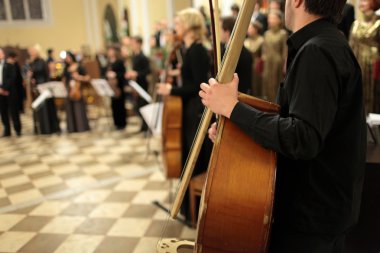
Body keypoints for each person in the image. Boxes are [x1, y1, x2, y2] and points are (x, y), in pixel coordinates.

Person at [200, 0, 366, 252]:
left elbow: (302, 138)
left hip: (311, 218)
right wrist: (236, 124)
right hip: (319, 212)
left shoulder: (317, 51)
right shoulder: (328, 43)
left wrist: (233, 108)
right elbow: (295, 119)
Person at [157, 8, 211, 222]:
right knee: (188, 156)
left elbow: (197, 85)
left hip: (195, 110)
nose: (175, 26)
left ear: (189, 25)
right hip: (188, 109)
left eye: (179, 22)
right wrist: (179, 72)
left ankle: (196, 210)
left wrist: (171, 90)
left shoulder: (197, 50)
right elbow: (190, 75)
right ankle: (188, 207)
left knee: (194, 157)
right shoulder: (189, 50)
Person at [350, 0, 380, 113]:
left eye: (365, 0)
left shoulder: (378, 23)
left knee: (372, 91)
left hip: (372, 63)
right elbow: (351, 43)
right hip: (357, 60)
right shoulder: (356, 23)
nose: (361, 3)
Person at [28, 44, 61, 135]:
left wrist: (45, 87)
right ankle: (42, 128)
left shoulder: (42, 61)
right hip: (36, 88)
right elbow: (33, 75)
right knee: (40, 109)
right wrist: (32, 78)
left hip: (44, 87)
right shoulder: (32, 62)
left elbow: (47, 75)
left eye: (33, 52)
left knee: (47, 108)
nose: (31, 53)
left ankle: (50, 128)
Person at [220, 16, 253, 94]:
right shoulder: (223, 48)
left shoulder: (242, 54)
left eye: (220, 29)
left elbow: (243, 84)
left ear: (227, 32)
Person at [125, 36, 151, 133]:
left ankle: (147, 126)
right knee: (137, 106)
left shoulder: (143, 57)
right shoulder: (134, 56)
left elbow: (147, 71)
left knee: (143, 105)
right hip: (135, 84)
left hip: (142, 83)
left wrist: (136, 73)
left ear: (139, 44)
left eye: (134, 43)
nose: (132, 45)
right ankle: (143, 125)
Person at [262, 10, 287, 102]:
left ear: (279, 20)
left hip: (278, 63)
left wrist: (285, 63)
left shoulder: (283, 33)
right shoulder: (266, 33)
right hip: (267, 63)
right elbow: (264, 49)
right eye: (269, 18)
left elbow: (285, 50)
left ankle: (276, 105)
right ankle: (267, 103)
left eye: (273, 18)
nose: (270, 20)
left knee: (276, 84)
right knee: (267, 83)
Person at [62, 51, 90, 133]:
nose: (68, 59)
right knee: (69, 109)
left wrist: (78, 77)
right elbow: (64, 79)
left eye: (69, 57)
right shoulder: (66, 68)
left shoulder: (79, 66)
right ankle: (72, 128)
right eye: (66, 58)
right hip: (69, 89)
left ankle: (81, 127)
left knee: (78, 108)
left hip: (78, 89)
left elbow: (87, 77)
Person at [106, 46, 127, 130]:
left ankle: (122, 123)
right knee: (114, 105)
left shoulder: (120, 61)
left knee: (120, 104)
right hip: (111, 86)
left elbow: (123, 74)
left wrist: (115, 74)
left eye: (111, 51)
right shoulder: (109, 62)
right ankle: (116, 123)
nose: (110, 53)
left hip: (118, 85)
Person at [0, 48, 20, 137]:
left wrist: (4, 89)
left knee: (13, 111)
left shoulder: (9, 64)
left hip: (10, 91)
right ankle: (7, 130)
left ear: (3, 54)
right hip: (0, 92)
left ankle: (17, 129)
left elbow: (12, 78)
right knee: (3, 112)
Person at [245, 21, 264, 97]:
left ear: (256, 29)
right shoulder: (246, 41)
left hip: (256, 66)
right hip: (247, 66)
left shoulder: (261, 40)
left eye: (251, 28)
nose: (248, 30)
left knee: (256, 86)